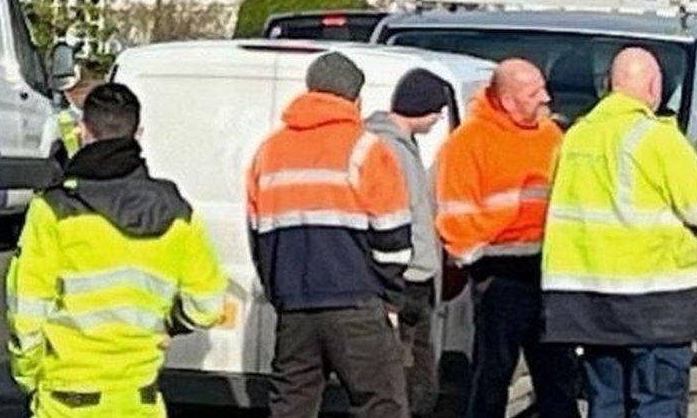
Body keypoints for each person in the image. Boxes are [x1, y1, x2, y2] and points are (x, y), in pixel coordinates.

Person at [541, 47, 697, 417]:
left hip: (591, 304)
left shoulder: (575, 137)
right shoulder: (657, 139)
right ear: (655, 87)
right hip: (656, 305)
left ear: (610, 85)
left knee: (605, 402)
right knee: (657, 402)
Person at [5, 83, 226, 418]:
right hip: (140, 400)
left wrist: (29, 377)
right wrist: (167, 324)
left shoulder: (53, 210)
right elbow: (207, 307)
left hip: (67, 401)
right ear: (138, 133)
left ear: (81, 131)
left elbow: (26, 313)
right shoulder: (178, 213)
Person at [247, 52, 413, 418]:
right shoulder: (367, 149)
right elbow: (394, 238)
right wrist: (390, 299)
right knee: (381, 405)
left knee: (292, 405)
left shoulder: (269, 151)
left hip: (294, 305)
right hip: (357, 302)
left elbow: (259, 235)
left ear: (309, 91)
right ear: (356, 98)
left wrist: (280, 293)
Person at [435, 58, 579, 418]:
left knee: (558, 375)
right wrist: (483, 261)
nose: (546, 98)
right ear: (508, 100)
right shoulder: (469, 142)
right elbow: (455, 222)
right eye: (534, 93)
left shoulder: (550, 136)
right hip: (498, 274)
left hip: (548, 268)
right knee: (493, 375)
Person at [366, 68, 449, 416]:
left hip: (411, 275)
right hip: (402, 277)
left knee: (413, 374)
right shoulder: (390, 148)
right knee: (401, 375)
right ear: (424, 109)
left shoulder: (398, 144)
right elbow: (396, 215)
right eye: (438, 111)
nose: (439, 119)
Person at [56, 66, 98, 157]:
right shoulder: (59, 119)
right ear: (66, 93)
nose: (81, 92)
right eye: (76, 89)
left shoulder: (104, 115)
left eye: (85, 86)